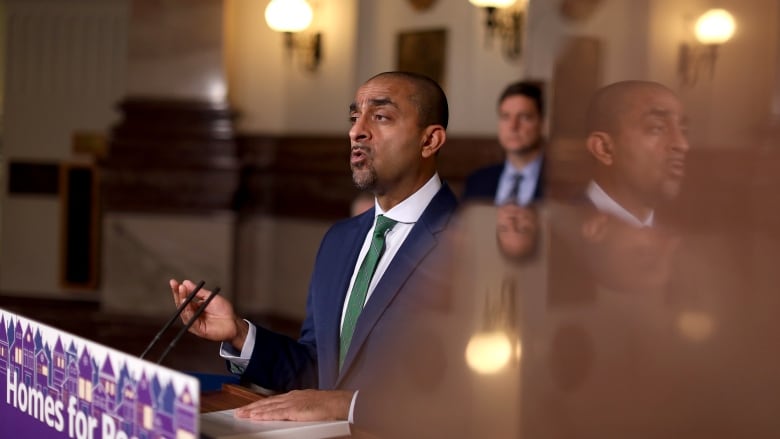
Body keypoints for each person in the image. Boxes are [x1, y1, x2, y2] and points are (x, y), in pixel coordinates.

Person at [169, 71, 459, 435]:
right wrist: (240, 335)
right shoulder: (340, 240)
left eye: (380, 116)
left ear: (430, 140)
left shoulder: (474, 246)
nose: (357, 131)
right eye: (355, 117)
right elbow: (317, 370)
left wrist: (347, 405)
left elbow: (487, 397)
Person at [582, 80, 690, 227]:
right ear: (604, 149)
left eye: (683, 131)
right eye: (657, 128)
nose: (682, 144)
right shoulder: (557, 234)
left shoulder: (682, 235)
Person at [462, 80, 546, 206]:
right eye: (506, 117)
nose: (513, 126)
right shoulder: (477, 181)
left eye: (524, 117)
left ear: (542, 124)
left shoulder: (559, 185)